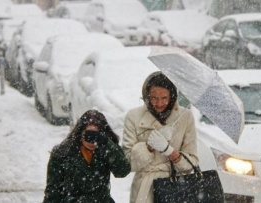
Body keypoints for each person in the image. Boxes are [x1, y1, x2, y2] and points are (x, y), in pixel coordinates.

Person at [122, 71, 199, 203]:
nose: (159, 104)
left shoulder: (185, 117)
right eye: (154, 98)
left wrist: (169, 151)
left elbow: (191, 163)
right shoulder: (133, 116)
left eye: (164, 98)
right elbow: (128, 162)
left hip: (175, 188)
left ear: (172, 97)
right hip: (145, 188)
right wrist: (149, 147)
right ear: (147, 96)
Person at [43, 109, 131, 203]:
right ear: (80, 132)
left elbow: (123, 171)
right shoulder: (63, 153)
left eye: (97, 135)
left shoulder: (105, 150)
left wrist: (106, 142)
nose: (92, 141)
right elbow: (53, 191)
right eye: (89, 135)